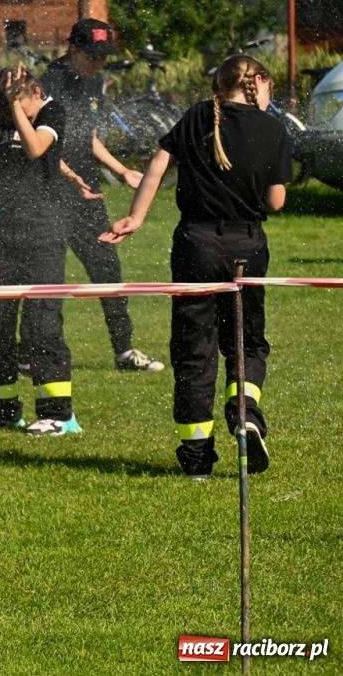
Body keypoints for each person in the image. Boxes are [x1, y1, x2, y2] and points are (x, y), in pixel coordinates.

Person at [102, 54, 292, 478]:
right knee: (246, 340)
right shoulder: (272, 128)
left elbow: (158, 162)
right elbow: (276, 201)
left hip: (195, 245)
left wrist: (136, 216)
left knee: (194, 348)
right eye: (269, 88)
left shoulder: (196, 116)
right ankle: (244, 412)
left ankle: (196, 458)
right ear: (257, 81)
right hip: (247, 245)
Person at [0, 63, 78, 436]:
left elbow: (36, 148)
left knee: (41, 323)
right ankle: (4, 409)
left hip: (44, 229)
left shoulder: (53, 111)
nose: (10, 109)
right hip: (6, 228)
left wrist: (16, 108)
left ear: (33, 90)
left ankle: (58, 413)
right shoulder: (6, 114)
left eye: (16, 99)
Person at [40, 19, 165, 373]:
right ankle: (37, 353)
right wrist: (69, 176)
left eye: (103, 56)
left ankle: (124, 351)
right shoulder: (50, 83)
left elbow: (86, 136)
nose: (98, 63)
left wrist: (121, 169)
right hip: (51, 191)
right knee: (48, 276)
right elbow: (43, 141)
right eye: (92, 56)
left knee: (107, 268)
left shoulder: (91, 80)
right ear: (74, 49)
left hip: (87, 194)